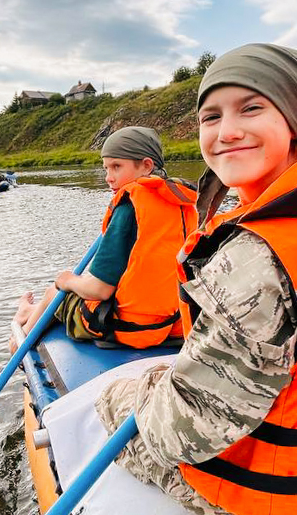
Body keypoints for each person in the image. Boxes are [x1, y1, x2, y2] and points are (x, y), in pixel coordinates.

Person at [93, 43, 297, 515]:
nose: (226, 131)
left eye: (251, 108)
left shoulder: (253, 261)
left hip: (269, 497)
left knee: (113, 399)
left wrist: (152, 390)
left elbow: (180, 434)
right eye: (211, 116)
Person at [12, 126, 197, 349]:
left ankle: (19, 341)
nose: (109, 178)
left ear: (147, 165)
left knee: (54, 291)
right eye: (106, 169)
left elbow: (100, 290)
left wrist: (68, 280)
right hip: (171, 323)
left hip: (127, 328)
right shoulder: (181, 204)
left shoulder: (128, 208)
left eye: (116, 167)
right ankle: (28, 311)